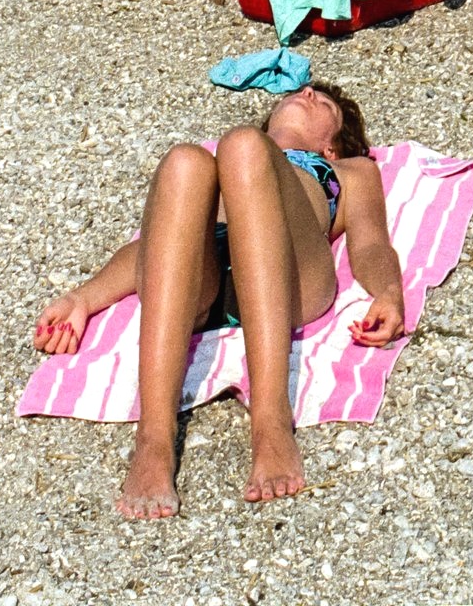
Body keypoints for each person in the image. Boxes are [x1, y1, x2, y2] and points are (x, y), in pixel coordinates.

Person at [31, 82, 403, 519]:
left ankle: (271, 425)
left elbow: (372, 244)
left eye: (323, 102)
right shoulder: (217, 163)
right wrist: (83, 297)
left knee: (245, 146)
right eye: (300, 93)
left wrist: (390, 294)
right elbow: (157, 247)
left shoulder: (351, 172)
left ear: (333, 146)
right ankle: (154, 441)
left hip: (291, 273)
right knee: (184, 162)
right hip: (205, 282)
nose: (306, 93)